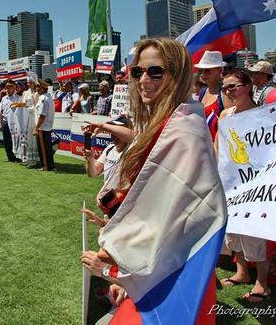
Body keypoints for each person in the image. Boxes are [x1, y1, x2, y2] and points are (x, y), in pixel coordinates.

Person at [82, 38, 227, 320]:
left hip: (173, 271)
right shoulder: (167, 122)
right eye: (138, 72)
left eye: (155, 72)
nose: (143, 80)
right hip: (155, 267)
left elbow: (173, 216)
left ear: (178, 73)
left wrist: (112, 262)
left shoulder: (184, 129)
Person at [215, 69, 270, 302]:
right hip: (229, 182)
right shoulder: (225, 115)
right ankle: (242, 272)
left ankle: (263, 283)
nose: (229, 91)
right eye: (225, 87)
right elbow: (218, 147)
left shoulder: (263, 114)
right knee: (233, 229)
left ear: (247, 86)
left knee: (255, 232)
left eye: (234, 86)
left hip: (254, 182)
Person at [194, 50, 227, 140]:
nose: (203, 74)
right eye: (201, 71)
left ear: (220, 70)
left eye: (208, 71)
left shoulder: (225, 92)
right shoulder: (203, 92)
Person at [33, 79, 55, 171]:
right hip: (46, 127)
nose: (36, 89)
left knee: (43, 148)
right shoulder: (48, 97)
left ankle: (45, 166)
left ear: (42, 88)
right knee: (47, 147)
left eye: (37, 87)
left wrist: (36, 128)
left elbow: (42, 116)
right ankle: (49, 165)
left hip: (42, 127)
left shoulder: (43, 99)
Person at [0, 81, 20, 162]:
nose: (8, 88)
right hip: (5, 122)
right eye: (7, 87)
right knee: (7, 141)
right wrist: (0, 124)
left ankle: (16, 156)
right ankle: (10, 157)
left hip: (15, 122)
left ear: (14, 88)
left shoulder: (18, 98)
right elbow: (0, 111)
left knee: (16, 140)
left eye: (11, 86)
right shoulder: (4, 98)